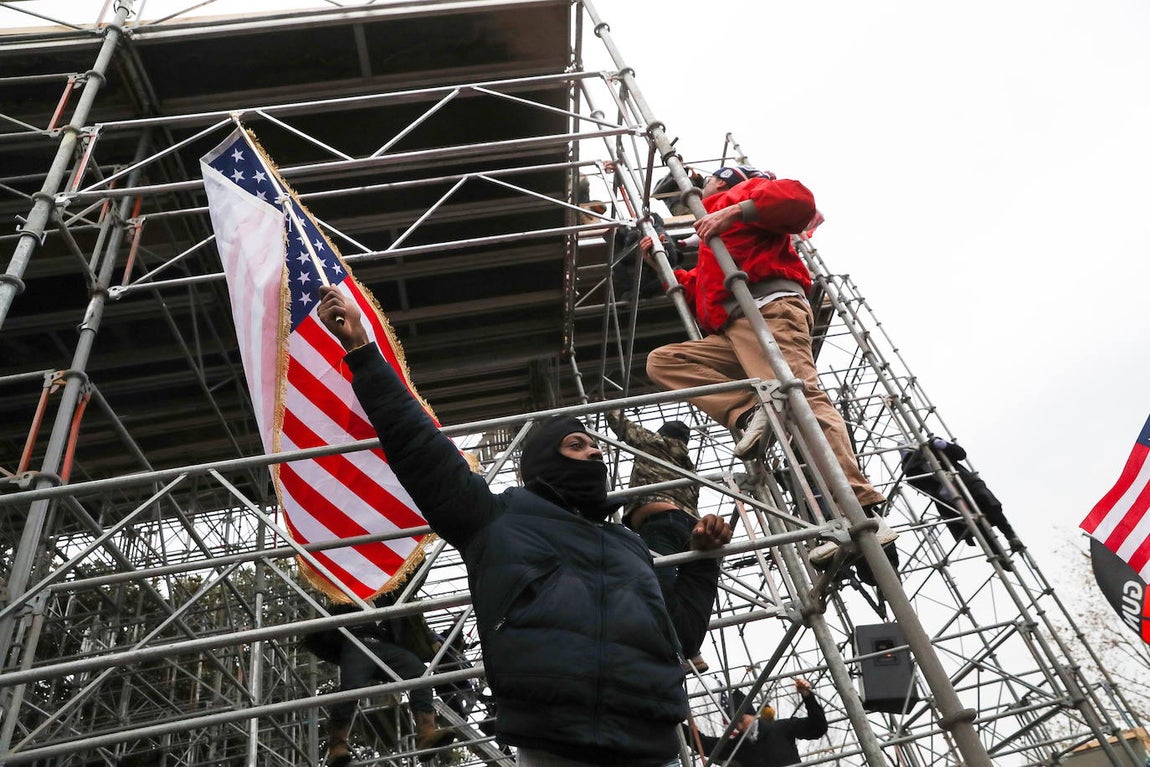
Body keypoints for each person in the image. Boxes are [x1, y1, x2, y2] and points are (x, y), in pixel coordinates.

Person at [316, 285, 733, 767]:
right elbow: (420, 447)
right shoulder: (495, 519)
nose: (595, 453)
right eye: (576, 445)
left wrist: (705, 562)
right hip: (555, 744)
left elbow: (681, 636)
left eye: (596, 448)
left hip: (653, 746)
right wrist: (363, 353)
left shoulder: (631, 546)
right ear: (540, 464)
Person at [643, 165, 894, 565]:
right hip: (735, 325)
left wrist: (735, 210)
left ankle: (861, 510)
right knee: (666, 362)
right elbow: (705, 296)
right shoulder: (714, 234)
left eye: (705, 183)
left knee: (802, 396)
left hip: (768, 308)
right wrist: (665, 268)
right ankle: (750, 411)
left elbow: (798, 202)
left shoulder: (746, 195)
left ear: (724, 181)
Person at [605, 410, 712, 672]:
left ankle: (674, 650)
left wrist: (608, 409)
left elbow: (625, 428)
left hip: (661, 523)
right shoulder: (687, 463)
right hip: (687, 525)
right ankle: (691, 650)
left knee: (657, 587)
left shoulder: (658, 443)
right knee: (682, 588)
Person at [308, 588, 454, 766]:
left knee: (418, 672)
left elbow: (412, 580)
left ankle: (426, 730)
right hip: (358, 642)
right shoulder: (346, 593)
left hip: (385, 645)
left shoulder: (391, 593)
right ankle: (337, 744)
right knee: (351, 688)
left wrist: (430, 637)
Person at [901, 437, 1023, 552]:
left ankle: (1011, 537)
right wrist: (940, 484)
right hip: (950, 500)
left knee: (990, 507)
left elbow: (960, 454)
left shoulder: (933, 446)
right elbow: (924, 488)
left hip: (967, 484)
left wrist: (945, 446)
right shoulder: (912, 471)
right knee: (976, 526)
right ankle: (998, 555)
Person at [687, 677, 828, 767]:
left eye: (741, 719)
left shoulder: (781, 728)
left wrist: (808, 697)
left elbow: (817, 728)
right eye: (734, 723)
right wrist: (675, 722)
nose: (739, 726)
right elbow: (705, 744)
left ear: (752, 714)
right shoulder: (737, 745)